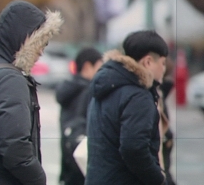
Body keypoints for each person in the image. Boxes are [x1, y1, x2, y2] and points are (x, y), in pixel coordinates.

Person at [0, 0, 63, 185]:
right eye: (39, 42)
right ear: (22, 37)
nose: (41, 51)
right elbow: (14, 147)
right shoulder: (10, 79)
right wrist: (38, 179)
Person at [85, 30, 168, 185]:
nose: (164, 69)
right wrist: (159, 180)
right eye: (162, 63)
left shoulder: (104, 85)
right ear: (148, 62)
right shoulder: (138, 96)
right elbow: (134, 148)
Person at [56, 47, 103, 185]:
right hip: (83, 165)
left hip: (68, 162)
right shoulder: (88, 91)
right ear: (88, 67)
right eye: (100, 67)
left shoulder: (68, 89)